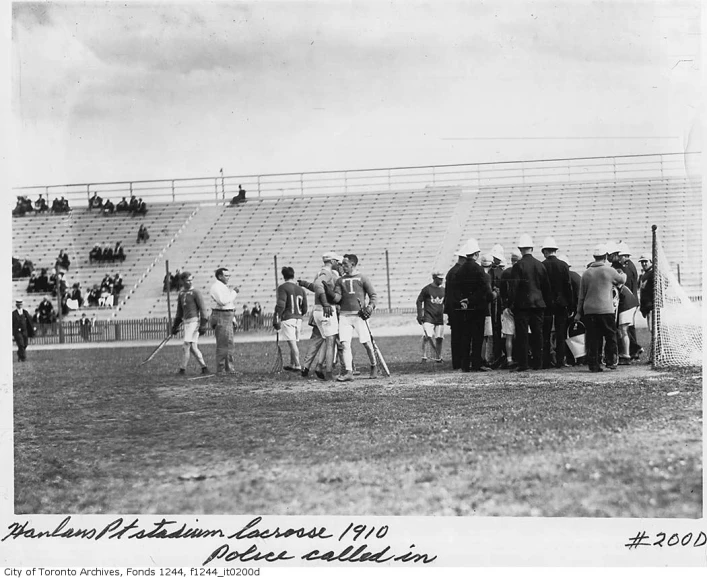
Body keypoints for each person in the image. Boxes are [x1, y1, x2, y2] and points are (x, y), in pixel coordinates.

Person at [576, 244, 626, 372]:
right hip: (605, 309)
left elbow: (581, 296)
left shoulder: (586, 273)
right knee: (610, 336)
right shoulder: (609, 271)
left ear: (594, 257)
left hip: (589, 310)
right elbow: (621, 280)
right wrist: (623, 275)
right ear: (605, 257)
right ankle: (610, 361)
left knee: (593, 338)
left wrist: (578, 313)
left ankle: (594, 364)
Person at [508, 234, 551, 372]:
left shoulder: (518, 266)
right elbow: (546, 287)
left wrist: (510, 304)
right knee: (538, 334)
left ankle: (524, 363)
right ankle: (538, 363)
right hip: (538, 304)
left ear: (520, 249)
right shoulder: (540, 265)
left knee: (522, 335)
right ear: (532, 248)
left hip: (522, 306)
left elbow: (513, 288)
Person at [333, 254, 378, 381]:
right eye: (342, 264)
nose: (343, 267)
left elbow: (373, 296)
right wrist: (330, 294)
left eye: (345, 265)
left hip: (359, 316)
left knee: (366, 343)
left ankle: (374, 365)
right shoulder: (340, 280)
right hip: (344, 316)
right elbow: (337, 298)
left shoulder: (362, 278)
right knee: (345, 344)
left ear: (353, 264)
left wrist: (369, 308)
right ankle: (349, 372)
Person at [298, 253, 342, 380]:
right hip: (326, 310)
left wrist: (305, 284)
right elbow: (318, 285)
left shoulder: (319, 273)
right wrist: (326, 303)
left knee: (323, 339)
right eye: (337, 262)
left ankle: (316, 366)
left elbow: (316, 286)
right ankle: (328, 372)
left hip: (316, 311)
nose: (338, 265)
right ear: (332, 261)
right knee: (331, 342)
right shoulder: (329, 273)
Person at [453, 238, 493, 372]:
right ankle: (476, 363)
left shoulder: (459, 270)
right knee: (477, 337)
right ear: (475, 254)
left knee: (465, 336)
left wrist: (463, 301)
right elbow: (485, 290)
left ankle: (465, 365)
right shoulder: (479, 270)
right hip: (478, 308)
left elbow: (455, 289)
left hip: (464, 309)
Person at [540, 237, 573, 369]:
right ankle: (560, 360)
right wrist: (570, 304)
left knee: (546, 333)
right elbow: (568, 286)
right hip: (561, 303)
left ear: (545, 251)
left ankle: (546, 360)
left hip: (547, 304)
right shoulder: (563, 265)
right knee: (561, 333)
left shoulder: (542, 265)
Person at [171, 271, 209, 375]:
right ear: (182, 281)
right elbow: (179, 311)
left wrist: (203, 324)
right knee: (193, 347)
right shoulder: (181, 294)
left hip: (194, 322)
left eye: (191, 280)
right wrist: (175, 325)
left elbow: (203, 309)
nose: (190, 282)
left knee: (186, 345)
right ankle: (204, 368)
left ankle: (182, 370)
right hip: (186, 323)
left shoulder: (196, 292)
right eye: (188, 280)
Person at [274, 267, 308, 371]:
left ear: (283, 275)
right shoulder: (301, 289)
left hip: (288, 317)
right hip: (298, 318)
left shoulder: (283, 287)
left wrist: (276, 317)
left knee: (292, 343)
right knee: (294, 341)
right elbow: (305, 307)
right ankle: (293, 363)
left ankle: (297, 364)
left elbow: (281, 304)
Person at [209, 267, 239, 374]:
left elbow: (229, 304)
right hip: (221, 315)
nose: (228, 278)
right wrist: (234, 293)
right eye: (226, 276)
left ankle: (229, 368)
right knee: (223, 344)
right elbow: (223, 301)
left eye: (229, 275)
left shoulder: (223, 287)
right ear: (219, 276)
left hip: (227, 315)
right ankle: (221, 369)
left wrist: (233, 318)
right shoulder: (216, 287)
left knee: (229, 343)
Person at [444, 244, 469, 370]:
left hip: (452, 308)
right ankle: (460, 362)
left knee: (456, 336)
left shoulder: (451, 271)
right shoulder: (458, 272)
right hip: (458, 308)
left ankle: (457, 362)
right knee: (461, 336)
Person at [416, 272, 446, 362]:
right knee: (427, 336)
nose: (441, 280)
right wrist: (419, 314)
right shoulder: (427, 289)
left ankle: (438, 357)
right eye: (439, 278)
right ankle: (424, 356)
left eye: (442, 279)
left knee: (439, 338)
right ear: (434, 278)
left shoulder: (444, 290)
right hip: (428, 317)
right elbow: (419, 301)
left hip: (439, 318)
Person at [499, 249, 521, 368]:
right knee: (521, 333)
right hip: (520, 307)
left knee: (509, 335)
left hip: (507, 307)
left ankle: (509, 358)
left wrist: (505, 305)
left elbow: (502, 291)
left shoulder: (506, 272)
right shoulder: (521, 271)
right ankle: (522, 356)